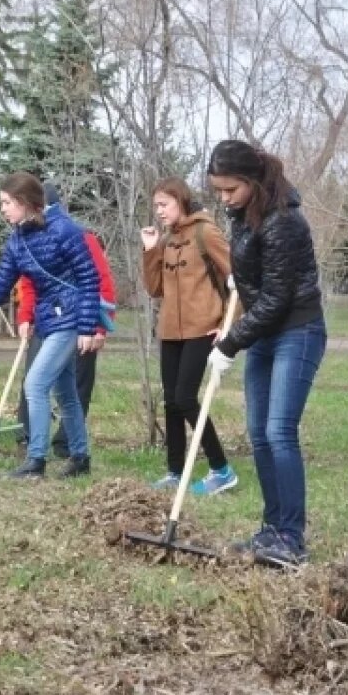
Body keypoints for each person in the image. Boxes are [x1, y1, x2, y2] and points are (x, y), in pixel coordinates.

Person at [206, 140, 326, 565]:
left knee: (279, 431)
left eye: (230, 190)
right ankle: (271, 529)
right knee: (258, 434)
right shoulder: (242, 215)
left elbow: (278, 300)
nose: (223, 199)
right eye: (218, 191)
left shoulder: (284, 222)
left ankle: (292, 539)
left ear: (253, 182)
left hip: (298, 329)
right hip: (263, 330)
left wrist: (231, 343)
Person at [0, 172, 101, 478]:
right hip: (49, 319)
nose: (3, 209)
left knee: (35, 384)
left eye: (6, 203)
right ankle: (80, 457)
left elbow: (89, 278)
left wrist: (88, 327)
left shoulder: (65, 230)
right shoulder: (18, 239)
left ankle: (36, 461)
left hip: (70, 319)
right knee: (66, 392)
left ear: (24, 202)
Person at [141, 177, 238, 496]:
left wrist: (227, 323)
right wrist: (151, 250)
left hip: (203, 329)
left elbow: (239, 281)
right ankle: (174, 472)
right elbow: (155, 289)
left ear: (181, 201)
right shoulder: (167, 240)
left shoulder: (205, 232)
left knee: (185, 398)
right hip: (170, 331)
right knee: (171, 402)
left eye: (164, 205)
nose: (159, 212)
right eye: (156, 206)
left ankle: (221, 470)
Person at [15, 183, 116, 458]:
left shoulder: (80, 237)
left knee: (71, 386)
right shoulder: (29, 240)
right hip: (47, 322)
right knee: (41, 382)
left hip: (79, 321)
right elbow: (28, 282)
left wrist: (96, 328)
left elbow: (100, 281)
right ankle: (31, 437)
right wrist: (25, 316)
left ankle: (62, 448)